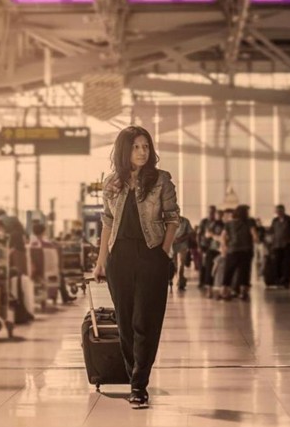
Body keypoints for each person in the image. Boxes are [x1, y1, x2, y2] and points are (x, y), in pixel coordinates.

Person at [92, 125, 180, 410]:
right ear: (124, 150)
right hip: (120, 258)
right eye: (136, 147)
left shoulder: (161, 180)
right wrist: (101, 261)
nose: (143, 152)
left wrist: (163, 254)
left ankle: (139, 385)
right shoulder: (112, 183)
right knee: (127, 323)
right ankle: (134, 378)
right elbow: (107, 222)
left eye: (146, 146)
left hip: (151, 255)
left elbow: (172, 219)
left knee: (146, 322)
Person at [221, 205, 259, 301]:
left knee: (229, 271)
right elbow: (254, 234)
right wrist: (256, 241)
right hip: (245, 250)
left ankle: (225, 292)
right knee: (244, 272)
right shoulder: (250, 222)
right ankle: (243, 293)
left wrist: (225, 247)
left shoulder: (229, 223)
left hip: (232, 250)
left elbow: (223, 236)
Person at [268, 204, 290, 288]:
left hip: (287, 245)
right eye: (277, 211)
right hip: (277, 245)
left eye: (280, 211)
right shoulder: (275, 220)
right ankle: (278, 280)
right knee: (277, 262)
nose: (278, 213)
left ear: (284, 210)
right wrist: (271, 241)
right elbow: (272, 231)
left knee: (287, 263)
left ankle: (287, 280)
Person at [198, 206, 222, 297]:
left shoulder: (220, 223)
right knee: (206, 266)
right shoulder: (204, 222)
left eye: (213, 212)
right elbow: (199, 235)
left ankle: (217, 288)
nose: (211, 214)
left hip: (217, 248)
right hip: (206, 247)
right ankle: (205, 284)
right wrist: (199, 246)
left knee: (216, 268)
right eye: (210, 212)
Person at [172, 216, 194, 291]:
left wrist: (181, 239)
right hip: (172, 245)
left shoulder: (185, 221)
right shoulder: (167, 220)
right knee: (175, 264)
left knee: (181, 263)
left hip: (183, 245)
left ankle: (180, 281)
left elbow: (190, 233)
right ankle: (180, 279)